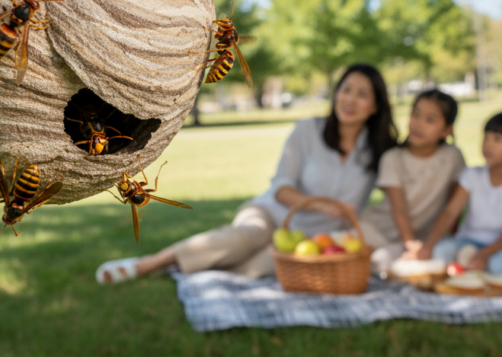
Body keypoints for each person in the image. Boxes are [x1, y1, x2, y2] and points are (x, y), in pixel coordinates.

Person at [96, 63, 398, 284]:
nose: (350, 99)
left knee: (256, 268)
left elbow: (400, 192)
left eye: (362, 94)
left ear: (375, 106)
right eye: (346, 90)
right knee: (246, 237)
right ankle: (150, 263)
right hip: (269, 213)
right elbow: (281, 188)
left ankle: (185, 268)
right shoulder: (307, 130)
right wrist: (323, 204)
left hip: (313, 238)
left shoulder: (380, 153)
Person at [416, 112, 502, 273]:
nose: (488, 145)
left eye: (497, 140)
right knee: (440, 251)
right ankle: (467, 265)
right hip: (468, 241)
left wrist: (484, 254)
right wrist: (428, 245)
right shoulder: (472, 175)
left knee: (500, 266)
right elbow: (450, 212)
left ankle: (467, 265)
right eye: (486, 137)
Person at [359, 89, 466, 275]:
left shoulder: (453, 157)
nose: (418, 124)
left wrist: (436, 241)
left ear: (447, 130)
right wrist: (410, 243)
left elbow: (453, 207)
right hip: (378, 231)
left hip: (423, 239)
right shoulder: (393, 159)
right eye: (415, 115)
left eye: (430, 120)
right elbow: (398, 209)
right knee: (372, 263)